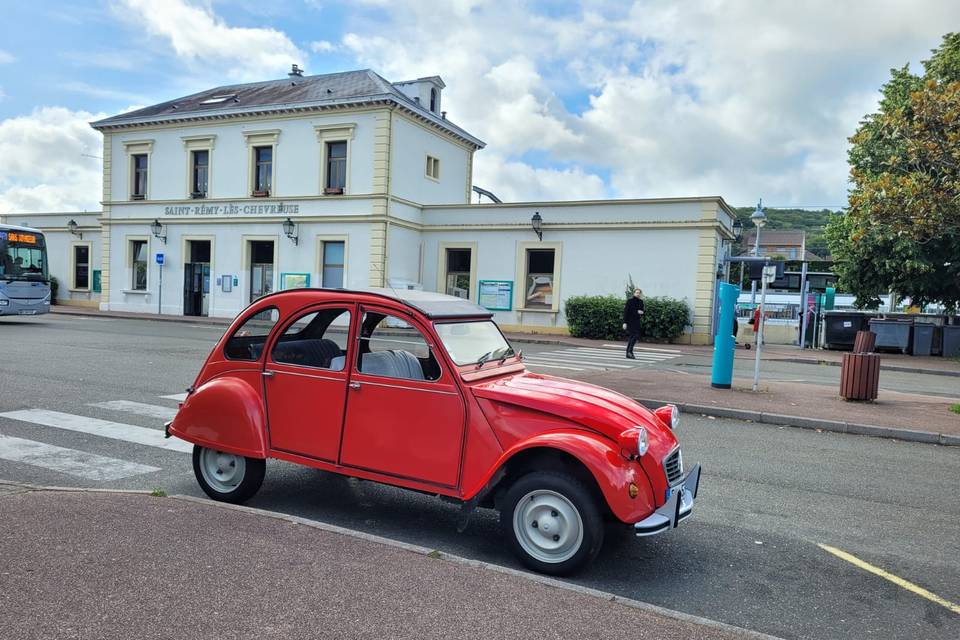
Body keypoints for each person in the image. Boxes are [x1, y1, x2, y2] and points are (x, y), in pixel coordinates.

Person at [622, 288, 645, 359]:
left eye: (639, 293)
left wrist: (642, 312)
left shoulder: (641, 301)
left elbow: (642, 310)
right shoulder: (630, 301)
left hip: (637, 321)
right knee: (635, 336)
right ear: (634, 293)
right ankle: (629, 351)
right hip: (630, 321)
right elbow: (626, 312)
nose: (638, 294)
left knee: (632, 336)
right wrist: (624, 322)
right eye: (637, 293)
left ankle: (628, 353)